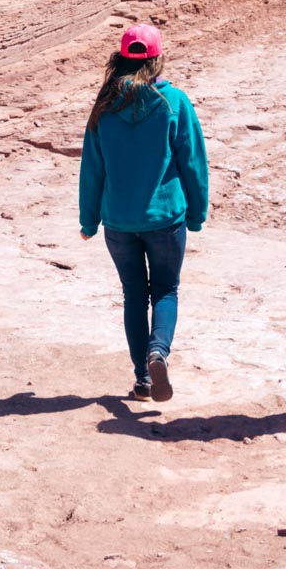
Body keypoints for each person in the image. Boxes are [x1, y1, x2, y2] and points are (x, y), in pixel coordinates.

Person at [79, 23, 208, 403]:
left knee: (134, 295)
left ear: (120, 60)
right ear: (157, 59)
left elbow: (93, 167)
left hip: (118, 222)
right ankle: (158, 353)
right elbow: (193, 161)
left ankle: (143, 379)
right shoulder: (174, 102)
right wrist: (197, 213)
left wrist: (88, 220)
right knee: (165, 290)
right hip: (165, 219)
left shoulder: (104, 105)